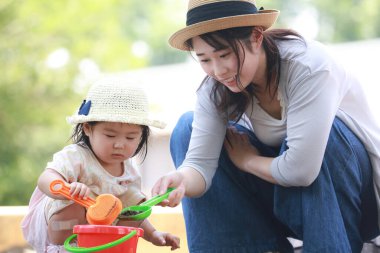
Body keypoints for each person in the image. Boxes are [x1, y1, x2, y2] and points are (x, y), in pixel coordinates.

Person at [151, 0, 380, 252]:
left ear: (256, 37)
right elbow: (199, 165)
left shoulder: (309, 65)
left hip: (353, 200)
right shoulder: (215, 87)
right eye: (204, 59)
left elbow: (301, 171)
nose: (217, 70)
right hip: (284, 197)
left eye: (224, 55)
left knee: (330, 133)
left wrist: (247, 160)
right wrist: (181, 180)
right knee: (187, 125)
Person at [21, 77, 180, 252]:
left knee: (131, 211)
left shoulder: (129, 172)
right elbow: (46, 178)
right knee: (74, 205)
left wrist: (153, 234)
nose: (120, 144)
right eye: (110, 136)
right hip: (62, 232)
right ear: (88, 129)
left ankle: (109, 247)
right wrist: (67, 189)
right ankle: (67, 246)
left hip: (99, 235)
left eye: (130, 137)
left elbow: (133, 211)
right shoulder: (77, 156)